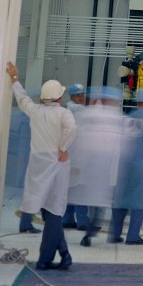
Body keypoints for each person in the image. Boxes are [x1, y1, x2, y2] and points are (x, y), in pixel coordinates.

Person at [5, 62, 75, 271]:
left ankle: (64, 254)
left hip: (38, 165)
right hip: (57, 164)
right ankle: (46, 259)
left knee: (47, 210)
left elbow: (22, 98)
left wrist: (15, 79)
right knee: (54, 212)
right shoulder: (64, 114)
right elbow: (71, 128)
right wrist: (63, 147)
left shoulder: (35, 111)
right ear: (60, 97)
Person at [69, 86, 126, 246]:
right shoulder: (114, 116)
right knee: (97, 200)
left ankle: (88, 230)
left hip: (94, 166)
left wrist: (78, 162)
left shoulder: (91, 114)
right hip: (101, 166)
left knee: (91, 197)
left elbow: (82, 140)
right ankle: (90, 230)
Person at [109, 87, 143, 245]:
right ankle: (133, 236)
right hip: (142, 168)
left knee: (122, 200)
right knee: (139, 202)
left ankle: (115, 234)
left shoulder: (127, 119)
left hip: (125, 166)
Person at [62, 83, 90, 231]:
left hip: (68, 156)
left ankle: (67, 219)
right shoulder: (82, 112)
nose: (82, 97)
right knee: (80, 189)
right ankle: (83, 222)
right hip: (79, 156)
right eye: (79, 95)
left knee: (69, 188)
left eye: (83, 94)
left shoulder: (66, 111)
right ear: (72, 96)